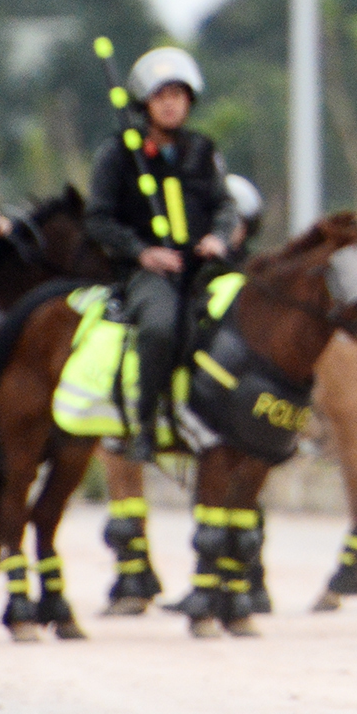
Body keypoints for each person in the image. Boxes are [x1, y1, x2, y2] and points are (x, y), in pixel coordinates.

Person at [85, 47, 238, 463]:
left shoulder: (204, 151)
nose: (171, 103)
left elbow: (225, 205)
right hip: (149, 274)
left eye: (178, 94)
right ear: (145, 103)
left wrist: (220, 238)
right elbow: (97, 219)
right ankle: (146, 423)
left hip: (203, 267)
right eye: (161, 95)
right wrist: (142, 253)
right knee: (160, 326)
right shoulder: (118, 154)